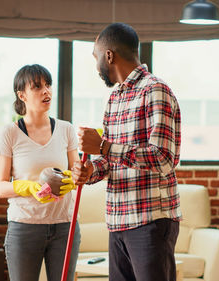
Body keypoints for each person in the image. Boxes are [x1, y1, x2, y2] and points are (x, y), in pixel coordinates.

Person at [72, 23, 182, 281]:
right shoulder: (115, 99)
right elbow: (111, 159)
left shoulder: (155, 90)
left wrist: (102, 146)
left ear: (109, 55)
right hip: (118, 221)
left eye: (96, 56)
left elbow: (164, 158)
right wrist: (91, 170)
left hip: (149, 221)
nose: (96, 64)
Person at [0, 64, 81, 281]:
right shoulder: (9, 133)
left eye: (48, 85)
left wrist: (71, 180)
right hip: (25, 228)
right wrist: (29, 187)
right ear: (22, 94)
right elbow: (1, 187)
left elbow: (77, 172)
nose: (46, 91)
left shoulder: (66, 129)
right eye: (37, 86)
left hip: (64, 227)